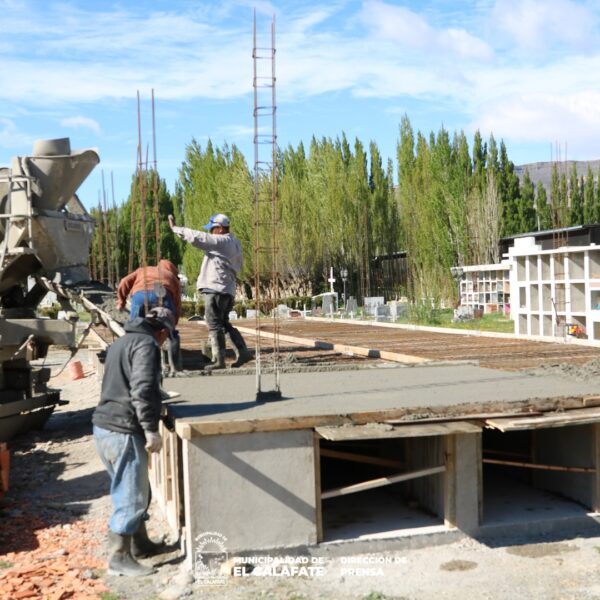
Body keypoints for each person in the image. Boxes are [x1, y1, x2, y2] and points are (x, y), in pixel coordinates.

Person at [92, 306, 175, 577]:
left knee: (137, 489)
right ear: (161, 331)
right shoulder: (147, 344)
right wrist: (151, 429)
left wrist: (157, 397)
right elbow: (140, 388)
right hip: (123, 430)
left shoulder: (122, 341)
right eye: (166, 336)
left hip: (105, 427)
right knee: (131, 496)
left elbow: (128, 382)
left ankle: (140, 545)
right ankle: (119, 557)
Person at [168, 213, 252, 369]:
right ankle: (242, 351)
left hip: (216, 288)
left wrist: (175, 228)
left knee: (213, 324)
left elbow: (198, 237)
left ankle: (219, 360)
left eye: (212, 229)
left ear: (220, 229)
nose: (211, 232)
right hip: (227, 289)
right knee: (223, 323)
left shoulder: (221, 241)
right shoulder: (235, 242)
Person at [116, 259, 182, 323]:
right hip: (162, 296)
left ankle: (134, 331)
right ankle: (169, 332)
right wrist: (173, 322)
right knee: (167, 327)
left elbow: (124, 281)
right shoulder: (172, 276)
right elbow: (177, 303)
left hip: (140, 295)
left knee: (134, 325)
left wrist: (121, 302)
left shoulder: (143, 270)